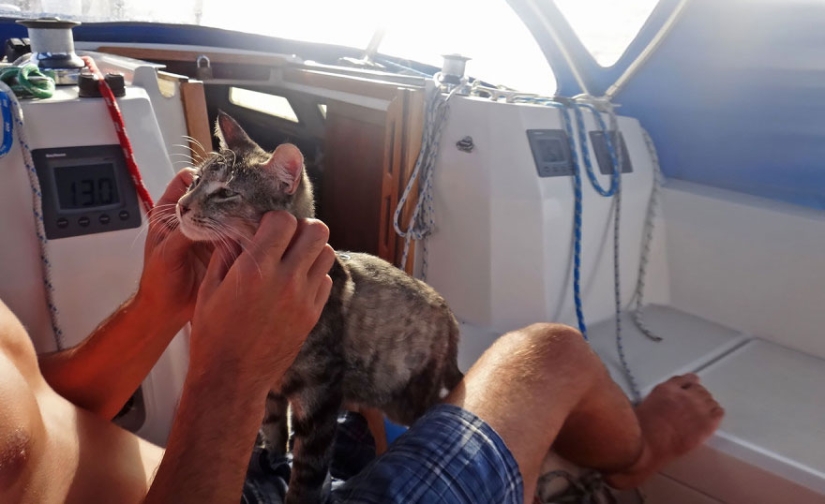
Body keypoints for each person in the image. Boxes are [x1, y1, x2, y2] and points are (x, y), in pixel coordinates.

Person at [0, 170, 723, 504]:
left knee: (346, 410)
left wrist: (157, 309)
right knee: (548, 353)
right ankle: (635, 456)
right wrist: (228, 373)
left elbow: (28, 397)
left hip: (212, 472)